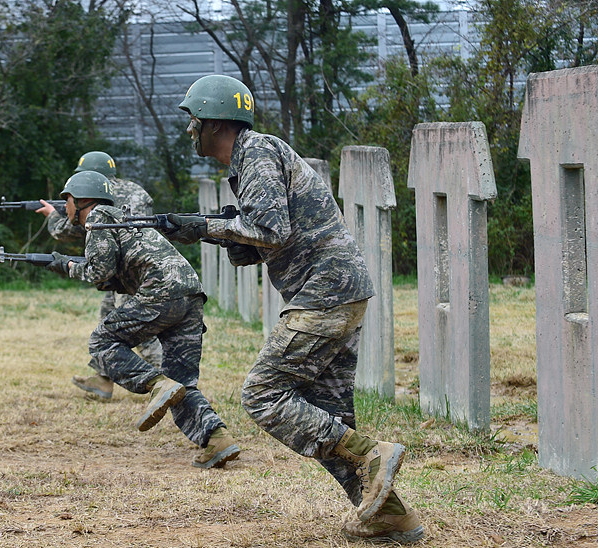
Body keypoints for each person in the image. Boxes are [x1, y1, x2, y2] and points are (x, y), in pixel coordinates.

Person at [165, 74, 423, 543]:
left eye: (194, 121)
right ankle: (392, 518)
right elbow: (262, 239)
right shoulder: (247, 163)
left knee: (263, 394)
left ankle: (373, 454)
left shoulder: (256, 152)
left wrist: (202, 226)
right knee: (329, 416)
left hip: (326, 291)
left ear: (216, 123)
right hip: (336, 290)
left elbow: (271, 229)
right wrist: (220, 231)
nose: (190, 130)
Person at [45, 170, 241, 469]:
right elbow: (117, 270)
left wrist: (67, 265)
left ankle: (155, 384)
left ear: (83, 199)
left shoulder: (98, 220)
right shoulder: (120, 218)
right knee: (182, 379)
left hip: (162, 292)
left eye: (67, 199)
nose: (65, 207)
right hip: (189, 293)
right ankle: (216, 439)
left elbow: (99, 272)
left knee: (103, 341)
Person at [35, 151, 163, 401]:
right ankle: (102, 380)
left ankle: (170, 385)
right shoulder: (136, 191)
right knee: (107, 317)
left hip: (130, 273)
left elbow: (67, 231)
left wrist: (53, 215)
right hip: (143, 264)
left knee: (138, 331)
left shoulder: (94, 197)